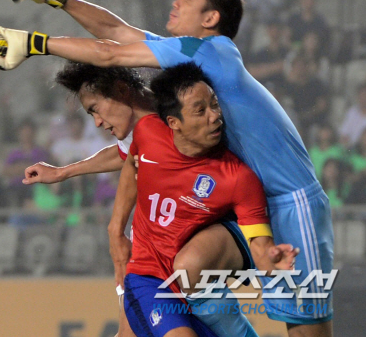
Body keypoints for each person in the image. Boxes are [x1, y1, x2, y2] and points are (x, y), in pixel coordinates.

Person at [0, 0, 333, 336]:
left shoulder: (210, 53)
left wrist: (33, 44)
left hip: (290, 202)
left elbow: (108, 52)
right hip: (248, 204)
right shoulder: (191, 56)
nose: (175, 0)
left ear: (210, 17)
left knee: (304, 330)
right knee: (188, 267)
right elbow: (115, 31)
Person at [26, 61, 296, 337]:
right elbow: (130, 159)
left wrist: (272, 262)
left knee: (184, 272)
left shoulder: (233, 171)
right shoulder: (146, 132)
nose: (214, 116)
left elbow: (260, 244)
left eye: (214, 106)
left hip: (201, 264)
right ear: (173, 123)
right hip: (149, 271)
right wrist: (112, 225)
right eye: (201, 110)